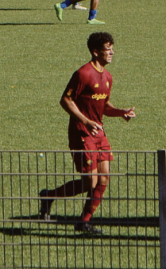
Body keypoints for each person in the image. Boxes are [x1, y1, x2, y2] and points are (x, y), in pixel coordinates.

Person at [38, 32, 136, 234]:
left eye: (112, 48)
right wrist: (84, 120)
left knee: (104, 179)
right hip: (81, 133)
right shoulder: (83, 74)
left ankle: (84, 222)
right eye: (107, 49)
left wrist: (121, 113)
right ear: (95, 51)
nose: (112, 52)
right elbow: (65, 100)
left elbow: (104, 105)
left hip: (99, 133)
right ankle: (49, 196)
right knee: (89, 181)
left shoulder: (107, 77)